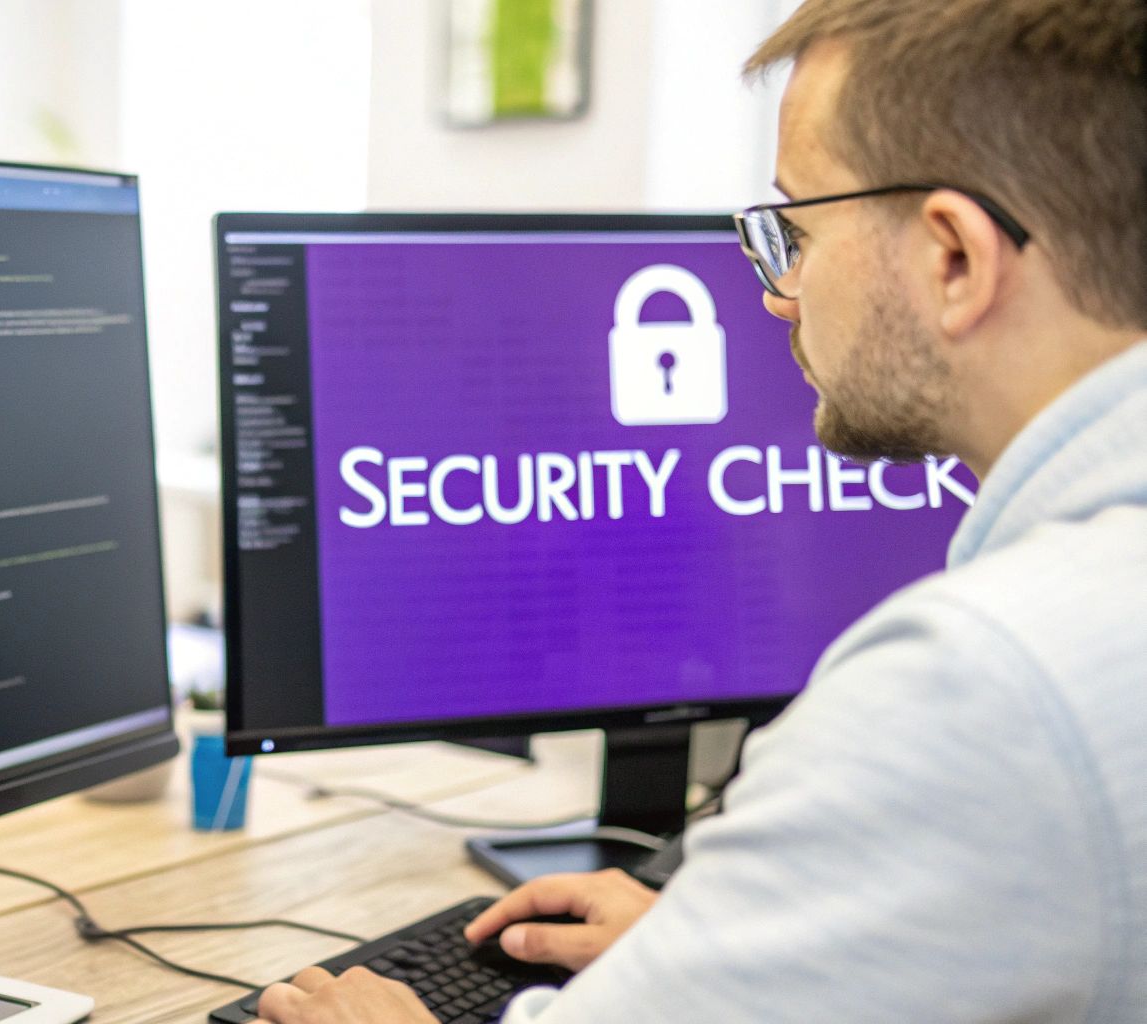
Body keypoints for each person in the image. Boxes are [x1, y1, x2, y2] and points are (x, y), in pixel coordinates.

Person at [256, 0, 1147, 1020]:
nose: (777, 291)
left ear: (953, 258)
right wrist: (730, 951)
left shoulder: (975, 686)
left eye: (798, 229)